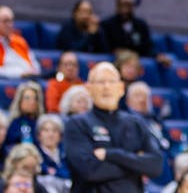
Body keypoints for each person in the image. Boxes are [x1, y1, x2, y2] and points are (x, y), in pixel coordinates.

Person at [64, 62, 163, 193]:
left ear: (121, 88)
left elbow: (155, 166)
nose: (106, 87)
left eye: (111, 81)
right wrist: (136, 164)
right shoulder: (76, 124)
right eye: (100, 82)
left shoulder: (136, 123)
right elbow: (89, 171)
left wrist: (112, 154)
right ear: (88, 88)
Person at [100, 0, 169, 66]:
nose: (125, 9)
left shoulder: (140, 25)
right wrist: (116, 51)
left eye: (128, 6)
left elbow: (147, 47)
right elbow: (103, 47)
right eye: (122, 5)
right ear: (117, 7)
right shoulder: (107, 24)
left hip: (136, 58)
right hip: (115, 59)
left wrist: (157, 56)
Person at [3, 82, 42, 156]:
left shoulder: (43, 123)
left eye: (35, 98)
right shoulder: (14, 123)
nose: (32, 102)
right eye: (27, 98)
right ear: (20, 101)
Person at [0, 7, 41, 78]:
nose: (9, 25)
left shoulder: (20, 41)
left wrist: (33, 72)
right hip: (10, 81)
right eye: (5, 21)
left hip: (29, 79)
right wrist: (20, 74)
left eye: (11, 21)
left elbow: (34, 64)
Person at [35, 113, 70, 181]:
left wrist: (54, 172)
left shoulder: (67, 152)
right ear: (39, 135)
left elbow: (69, 174)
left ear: (60, 136)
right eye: (46, 130)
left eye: (55, 131)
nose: (50, 134)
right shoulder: (34, 153)